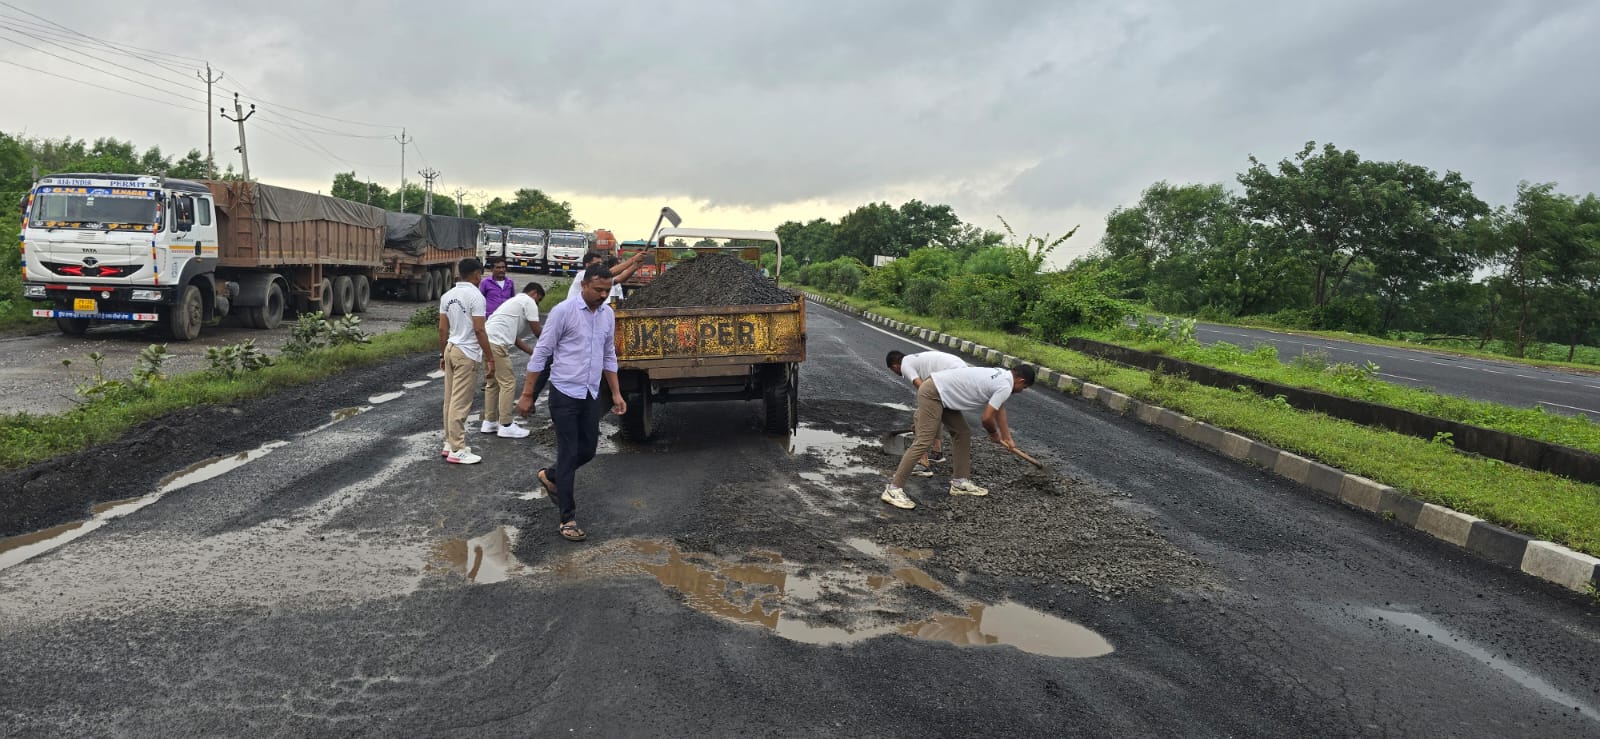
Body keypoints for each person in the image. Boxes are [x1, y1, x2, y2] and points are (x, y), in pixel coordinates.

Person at [518, 263, 626, 542]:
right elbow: (542, 353)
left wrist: (615, 393)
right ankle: (568, 519)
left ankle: (550, 475)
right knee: (568, 451)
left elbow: (609, 355)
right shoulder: (563, 312)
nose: (603, 295)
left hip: (590, 393)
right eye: (598, 290)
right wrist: (528, 394)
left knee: (588, 450)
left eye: (607, 290)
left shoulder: (607, 315)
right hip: (564, 392)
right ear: (584, 286)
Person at [881, 364, 1036, 510]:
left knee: (962, 433)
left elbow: (999, 409)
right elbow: (987, 418)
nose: (1022, 390)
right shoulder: (1005, 385)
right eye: (1024, 387)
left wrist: (1007, 437)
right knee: (924, 441)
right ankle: (893, 489)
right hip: (933, 393)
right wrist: (994, 434)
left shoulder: (1003, 376)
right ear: (1020, 381)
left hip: (944, 394)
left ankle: (960, 482)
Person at [438, 258, 495, 465]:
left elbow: (442, 329)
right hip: (467, 352)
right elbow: (480, 330)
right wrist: (490, 357)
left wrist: (441, 354)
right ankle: (458, 449)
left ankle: (449, 442)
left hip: (451, 348)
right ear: (477, 274)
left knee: (449, 399)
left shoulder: (448, 295)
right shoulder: (476, 296)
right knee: (460, 403)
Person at [480, 281, 546, 438]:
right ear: (535, 294)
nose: (537, 304)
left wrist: (533, 353)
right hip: (496, 343)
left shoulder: (514, 302)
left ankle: (489, 422)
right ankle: (506, 424)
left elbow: (515, 339)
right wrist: (552, 346)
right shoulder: (528, 301)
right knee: (508, 383)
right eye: (539, 300)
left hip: (485, 340)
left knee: (493, 383)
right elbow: (537, 331)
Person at [885, 349, 966, 475]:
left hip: (952, 377)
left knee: (920, 417)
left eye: (892, 370)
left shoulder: (906, 364)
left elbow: (922, 388)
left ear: (895, 366)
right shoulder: (915, 360)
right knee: (937, 413)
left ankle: (922, 464)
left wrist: (920, 421)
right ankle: (937, 452)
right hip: (961, 375)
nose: (895, 373)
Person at [566, 249, 645, 301]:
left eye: (600, 263)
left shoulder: (601, 280)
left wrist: (635, 267)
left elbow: (619, 279)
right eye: (597, 264)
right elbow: (609, 273)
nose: (600, 266)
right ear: (587, 265)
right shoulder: (582, 275)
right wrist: (633, 259)